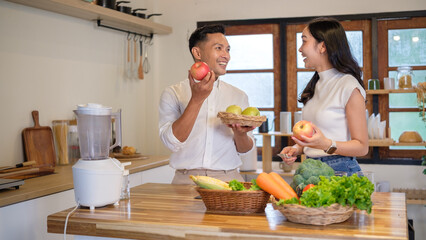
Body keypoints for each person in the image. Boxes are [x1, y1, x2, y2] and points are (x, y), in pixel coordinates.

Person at [159, 24, 256, 184]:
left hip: (229, 180)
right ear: (197, 52)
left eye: (228, 50)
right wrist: (196, 99)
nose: (226, 56)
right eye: (219, 48)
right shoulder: (173, 93)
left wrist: (240, 134)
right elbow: (171, 142)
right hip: (186, 181)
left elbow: (245, 150)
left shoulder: (238, 96)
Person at [279, 17, 369, 176]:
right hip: (310, 168)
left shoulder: (348, 85)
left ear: (322, 46)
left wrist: (326, 144)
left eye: (304, 41)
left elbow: (361, 147)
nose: (300, 49)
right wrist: (296, 149)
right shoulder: (316, 85)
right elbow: (316, 141)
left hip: (339, 169)